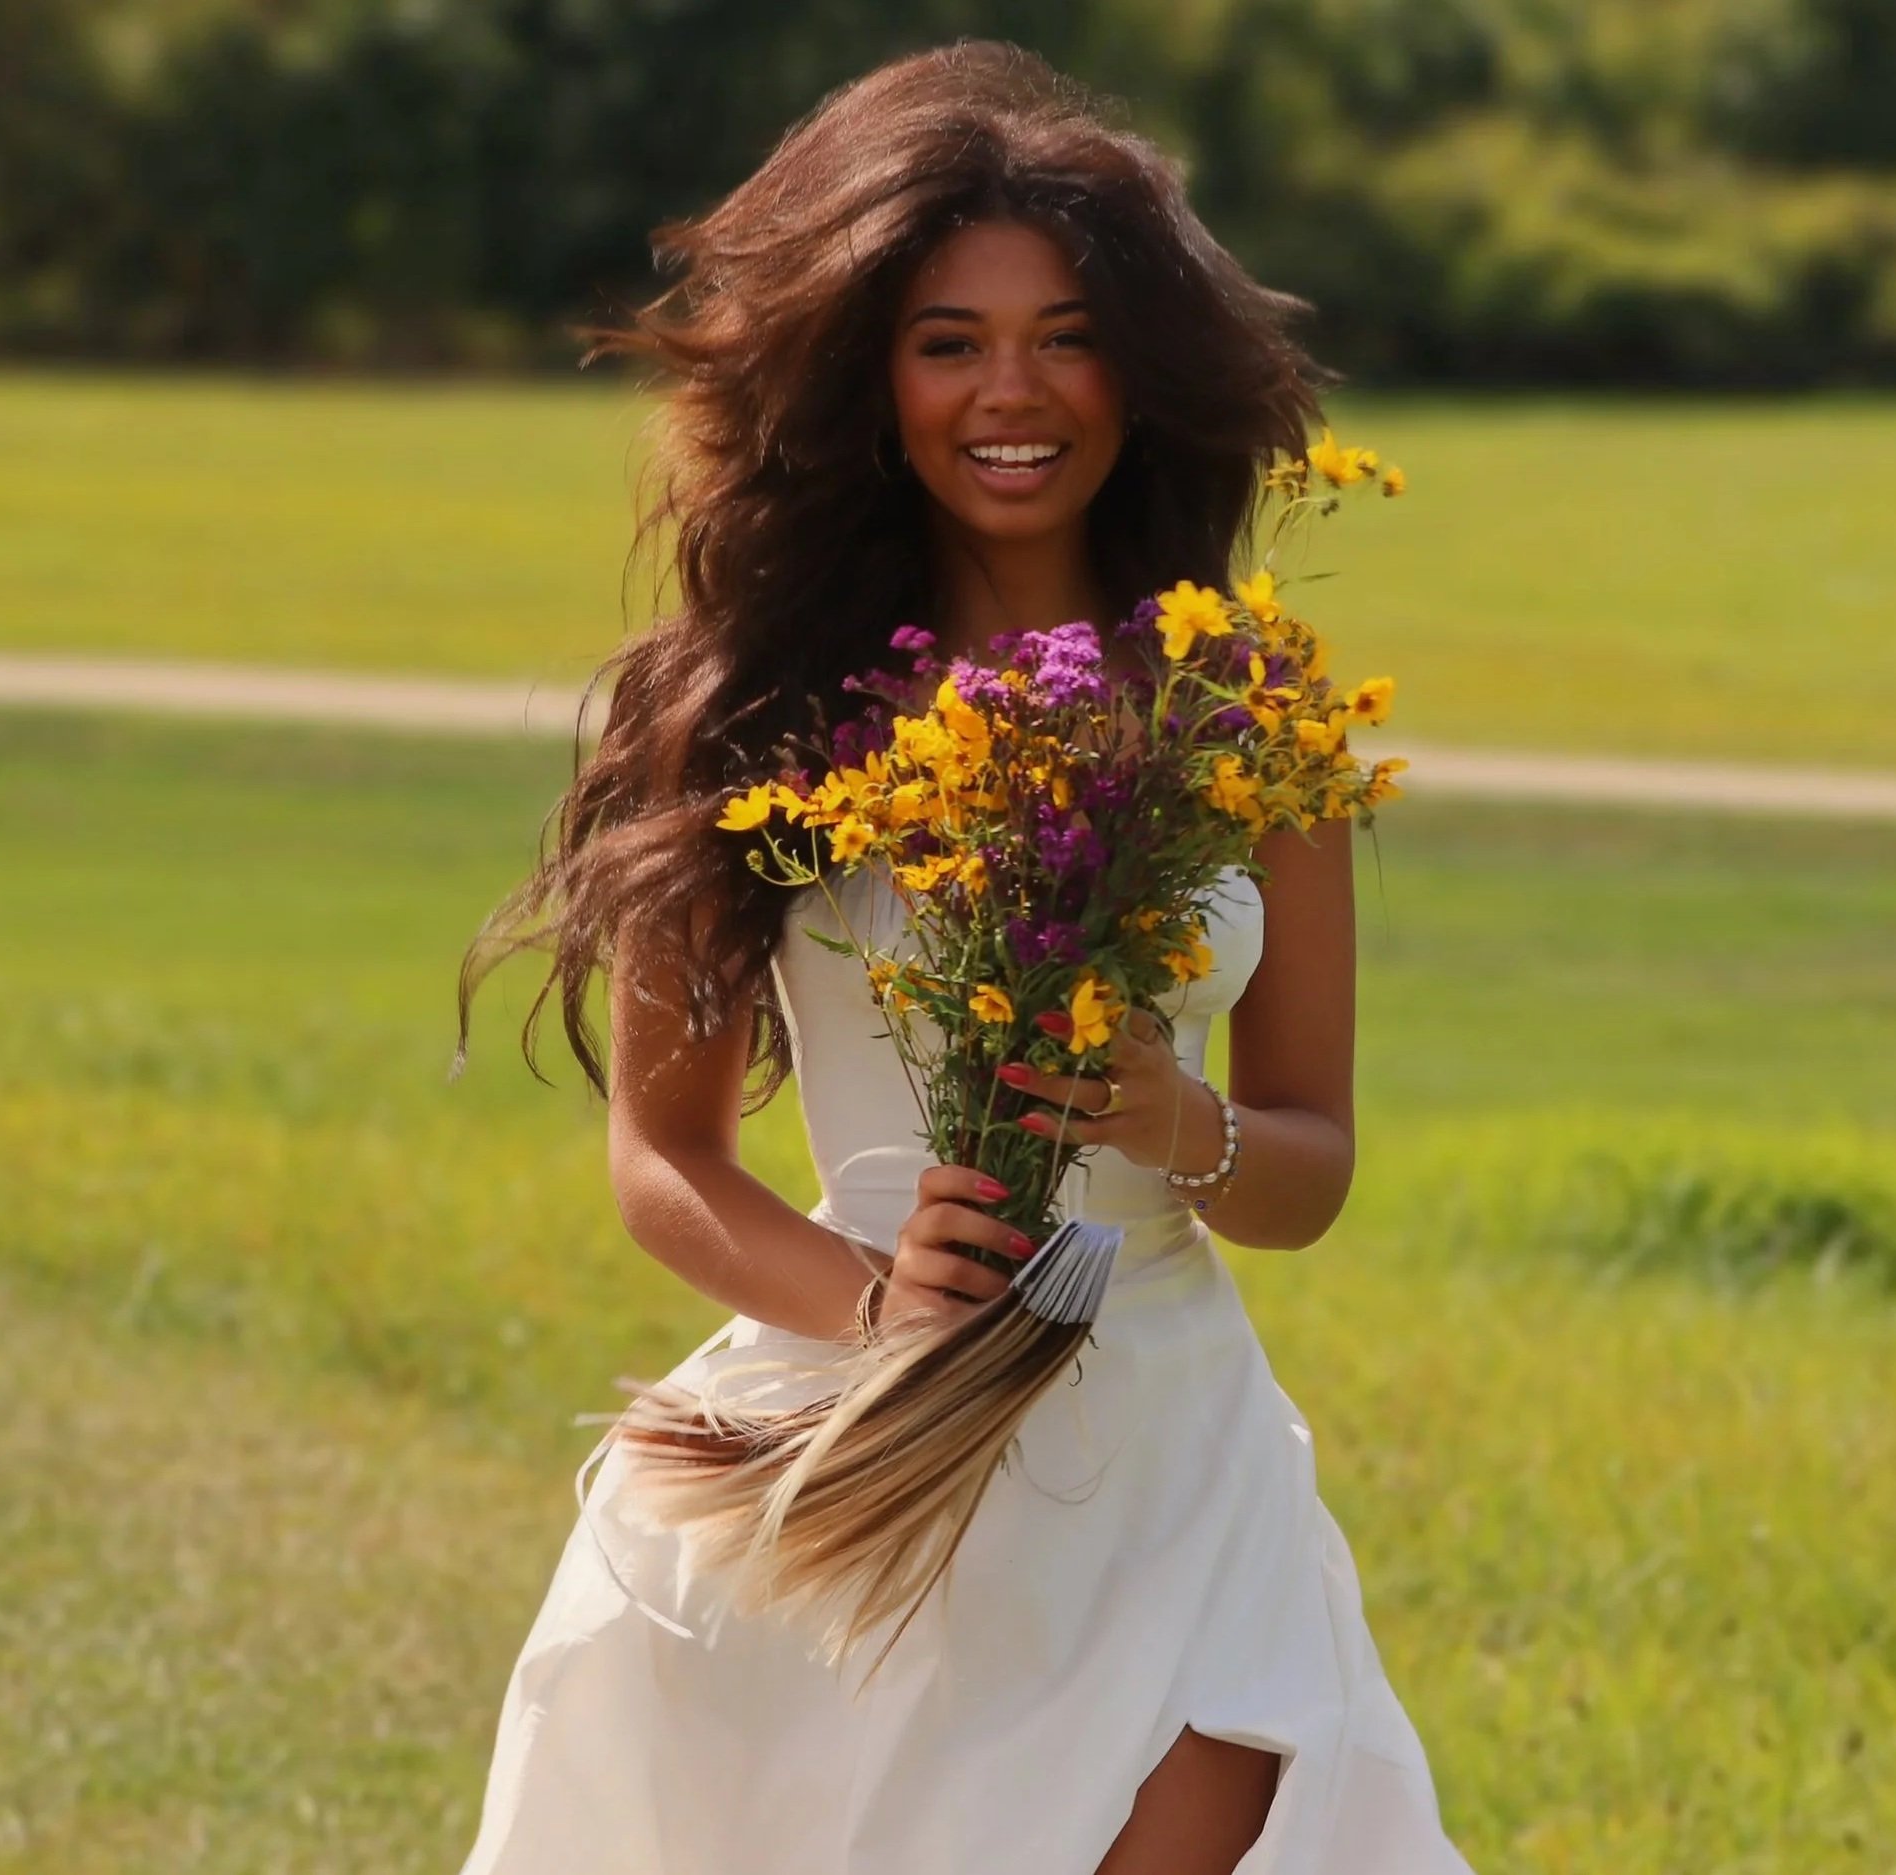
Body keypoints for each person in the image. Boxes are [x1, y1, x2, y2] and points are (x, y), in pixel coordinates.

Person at [450, 40, 1473, 1875]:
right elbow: (664, 1159)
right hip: (848, 1439)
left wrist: (1179, 1122)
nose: (1014, 390)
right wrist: (878, 1315)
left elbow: (1309, 1162)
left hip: (1167, 1458)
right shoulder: (749, 709)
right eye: (948, 340)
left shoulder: (1249, 707)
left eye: (1068, 334)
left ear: (1141, 375)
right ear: (868, 375)